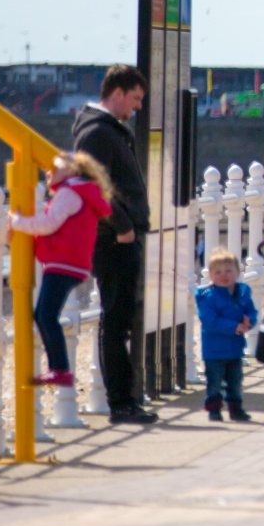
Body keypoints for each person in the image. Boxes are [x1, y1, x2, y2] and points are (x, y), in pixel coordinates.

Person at [70, 64, 156, 424]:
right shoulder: (97, 134)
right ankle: (120, 403)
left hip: (123, 237)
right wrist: (122, 225)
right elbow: (91, 186)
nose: (137, 107)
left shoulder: (108, 131)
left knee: (121, 319)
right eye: (135, 99)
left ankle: (126, 399)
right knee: (115, 319)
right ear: (117, 92)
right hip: (114, 240)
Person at [10, 152, 114, 391]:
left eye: (55, 167)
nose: (49, 171)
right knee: (45, 314)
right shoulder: (83, 192)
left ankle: (60, 369)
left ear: (73, 171)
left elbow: (48, 225)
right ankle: (59, 368)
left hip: (63, 262)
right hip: (74, 263)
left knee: (45, 315)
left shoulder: (69, 193)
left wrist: (17, 221)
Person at [193, 250, 257, 422]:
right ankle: (214, 410)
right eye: (218, 272)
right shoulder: (208, 296)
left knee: (235, 382)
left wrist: (249, 321)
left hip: (235, 349)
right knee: (214, 383)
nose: (224, 276)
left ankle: (236, 409)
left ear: (237, 272)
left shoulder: (242, 293)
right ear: (211, 275)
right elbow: (209, 321)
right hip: (214, 350)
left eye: (228, 271)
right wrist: (233, 327)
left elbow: (251, 311)